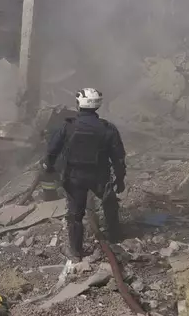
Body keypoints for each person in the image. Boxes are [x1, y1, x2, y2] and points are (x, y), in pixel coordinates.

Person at [43, 88, 126, 260]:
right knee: (110, 204)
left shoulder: (68, 126)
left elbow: (52, 151)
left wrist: (49, 167)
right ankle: (115, 237)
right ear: (98, 105)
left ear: (79, 104)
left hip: (74, 177)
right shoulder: (107, 128)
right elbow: (118, 157)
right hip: (100, 176)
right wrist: (120, 178)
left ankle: (76, 251)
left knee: (75, 214)